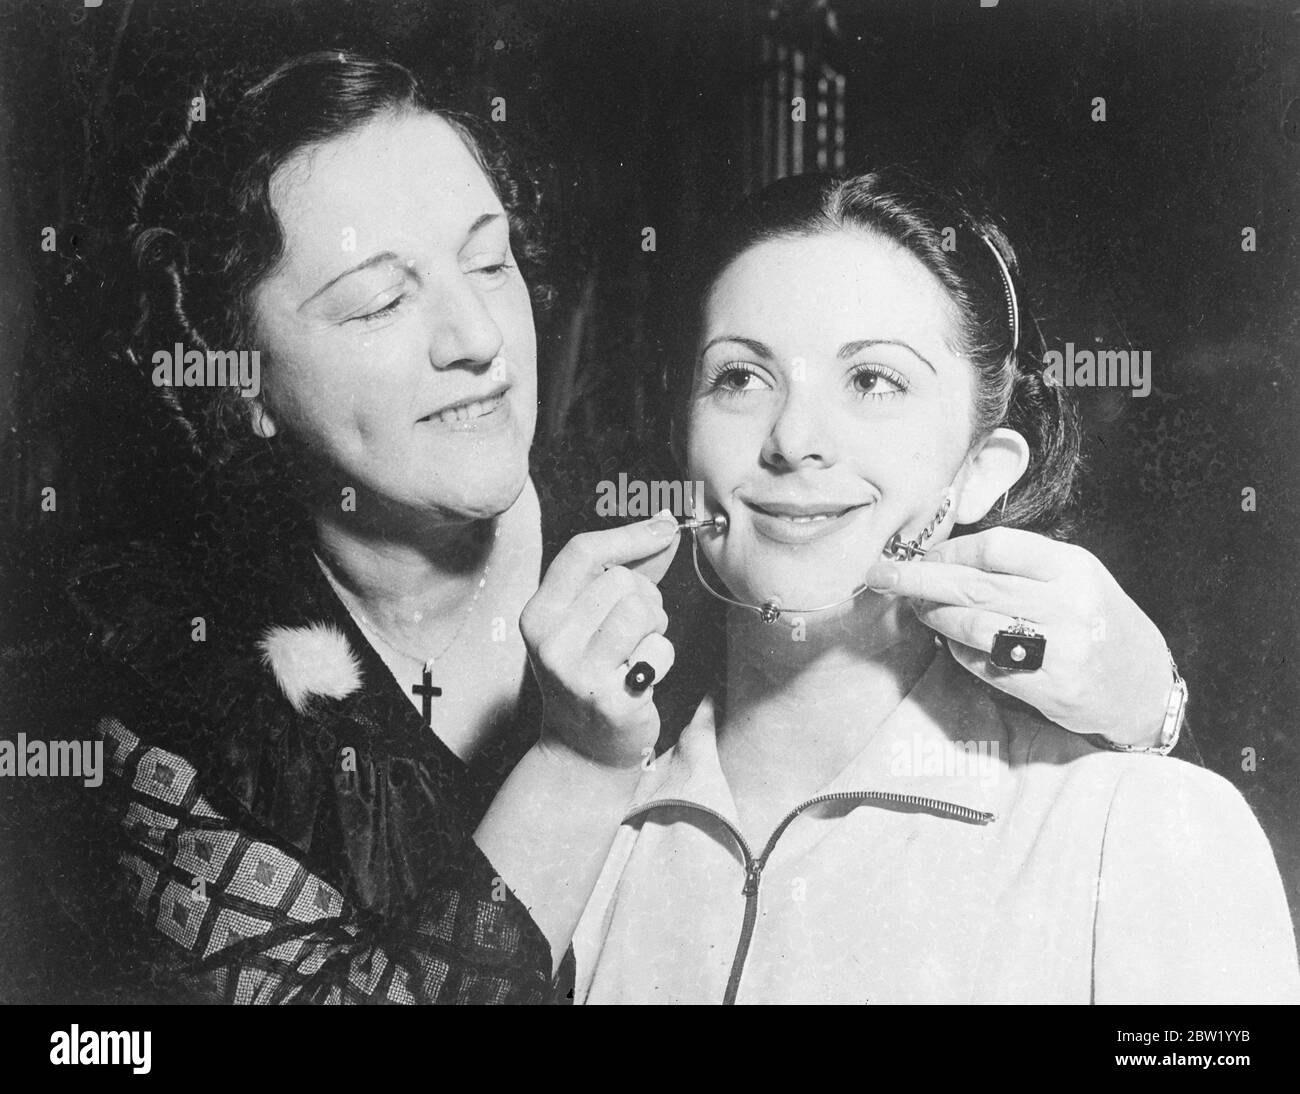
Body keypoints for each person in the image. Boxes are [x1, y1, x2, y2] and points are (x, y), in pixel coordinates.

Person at [1, 53, 1192, 1005]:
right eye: (378, 299)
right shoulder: (159, 691)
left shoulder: (681, 538)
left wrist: (1153, 708)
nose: (472, 335)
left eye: (490, 262)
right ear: (241, 380)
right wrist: (576, 759)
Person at [572, 169, 1300, 1004]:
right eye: (740, 377)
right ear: (682, 434)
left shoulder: (1141, 831)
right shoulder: (581, 832)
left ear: (981, 473)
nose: (794, 439)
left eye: (874, 381)